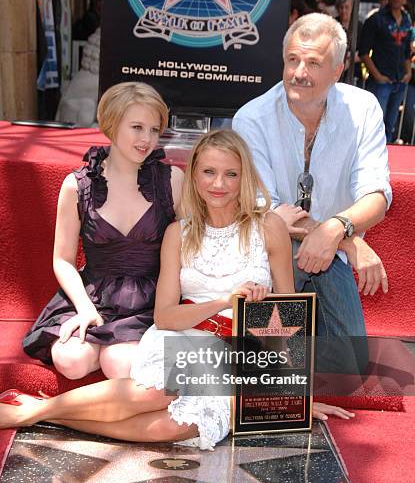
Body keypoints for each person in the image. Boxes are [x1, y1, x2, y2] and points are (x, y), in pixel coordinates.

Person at [1, 130, 354, 449]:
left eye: (231, 173)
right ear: (194, 176)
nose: (220, 183)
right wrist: (222, 302)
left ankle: (40, 412)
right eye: (209, 172)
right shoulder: (179, 233)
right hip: (184, 336)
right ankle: (29, 413)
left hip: (240, 355)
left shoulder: (269, 227)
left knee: (176, 426)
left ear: (245, 176)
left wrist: (292, 395)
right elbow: (166, 316)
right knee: (157, 391)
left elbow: (288, 312)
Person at [233, 13, 391, 377]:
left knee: (351, 368)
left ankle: (277, 357)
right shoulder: (251, 118)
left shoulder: (363, 109)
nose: (298, 72)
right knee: (278, 364)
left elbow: (377, 195)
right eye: (292, 59)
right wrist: (348, 241)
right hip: (271, 252)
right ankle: (269, 368)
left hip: (329, 251)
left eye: (313, 63)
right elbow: (268, 208)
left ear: (338, 70)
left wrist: (335, 230)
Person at [23, 81, 183, 380]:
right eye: (137, 127)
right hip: (93, 295)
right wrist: (84, 308)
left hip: (149, 301)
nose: (147, 139)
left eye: (154, 129)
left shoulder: (172, 180)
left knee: (120, 365)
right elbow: (63, 260)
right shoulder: (77, 185)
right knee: (70, 361)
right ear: (111, 124)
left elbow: (195, 243)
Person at [359, 0, 413, 142]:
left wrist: (408, 72)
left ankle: (388, 162)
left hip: (399, 80)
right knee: (375, 126)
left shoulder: (406, 20)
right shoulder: (376, 19)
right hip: (380, 82)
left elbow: (406, 51)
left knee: (390, 126)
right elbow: (363, 53)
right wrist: (378, 76)